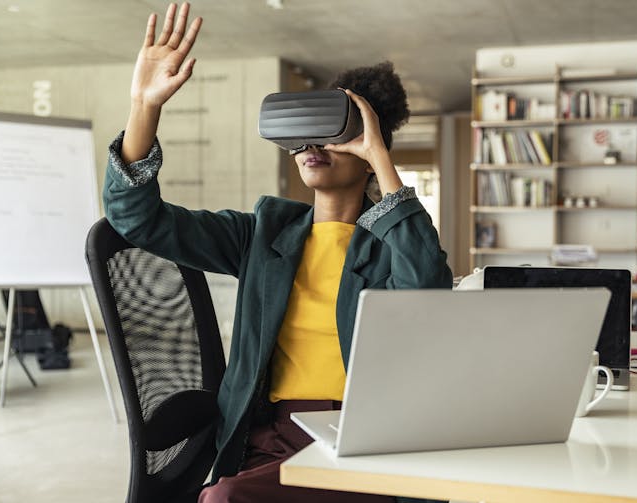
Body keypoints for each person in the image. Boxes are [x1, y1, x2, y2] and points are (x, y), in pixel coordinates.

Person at [103, 3, 452, 502]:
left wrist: (379, 153)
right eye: (306, 133)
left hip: (366, 440)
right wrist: (145, 105)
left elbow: (427, 290)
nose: (315, 143)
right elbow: (136, 219)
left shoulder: (390, 245)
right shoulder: (264, 234)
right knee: (223, 496)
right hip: (271, 438)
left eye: (336, 132)